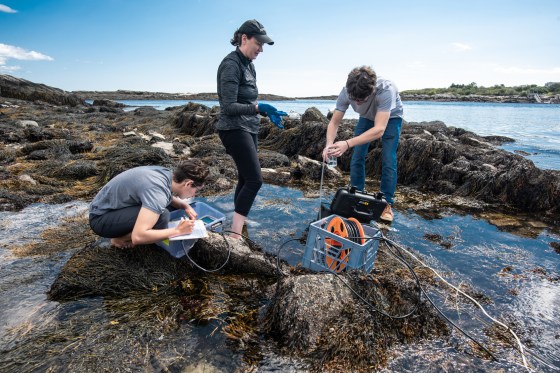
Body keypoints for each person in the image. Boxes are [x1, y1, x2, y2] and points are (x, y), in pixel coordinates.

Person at [216, 19, 287, 238]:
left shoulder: (249, 65)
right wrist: (258, 107)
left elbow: (247, 101)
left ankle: (239, 220)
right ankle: (235, 234)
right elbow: (228, 106)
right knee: (256, 179)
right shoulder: (231, 64)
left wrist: (264, 111)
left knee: (245, 178)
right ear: (244, 38)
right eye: (259, 43)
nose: (261, 49)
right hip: (233, 129)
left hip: (248, 127)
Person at [323, 66, 403, 222]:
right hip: (366, 117)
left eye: (362, 99)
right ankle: (356, 195)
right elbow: (334, 122)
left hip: (392, 118)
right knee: (358, 155)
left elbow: (379, 129)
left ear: (372, 90)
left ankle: (386, 204)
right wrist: (329, 144)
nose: (357, 103)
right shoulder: (346, 91)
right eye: (355, 99)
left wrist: (347, 143)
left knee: (388, 158)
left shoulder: (386, 89)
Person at [89, 159, 209, 248]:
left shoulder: (165, 174)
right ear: (188, 184)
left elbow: (163, 195)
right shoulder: (157, 193)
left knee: (167, 208)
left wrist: (184, 205)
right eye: (196, 190)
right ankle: (120, 240)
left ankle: (123, 234)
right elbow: (138, 237)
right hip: (101, 220)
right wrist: (178, 231)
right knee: (162, 216)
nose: (194, 195)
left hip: (107, 208)